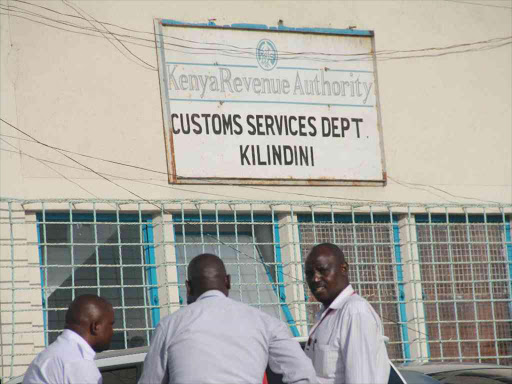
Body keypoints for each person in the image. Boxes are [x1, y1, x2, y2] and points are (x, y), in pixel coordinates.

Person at [139, 253, 317, 384]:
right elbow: (303, 374)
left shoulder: (170, 325)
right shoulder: (266, 323)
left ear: (188, 287)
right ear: (228, 281)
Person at [304, 243, 390, 384]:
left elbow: (362, 379)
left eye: (322, 270)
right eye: (309, 273)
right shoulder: (326, 314)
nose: (315, 279)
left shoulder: (354, 312)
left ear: (343, 268)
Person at [23, 294, 115, 384]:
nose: (112, 331)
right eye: (111, 325)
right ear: (96, 326)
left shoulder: (49, 355)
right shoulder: (77, 362)